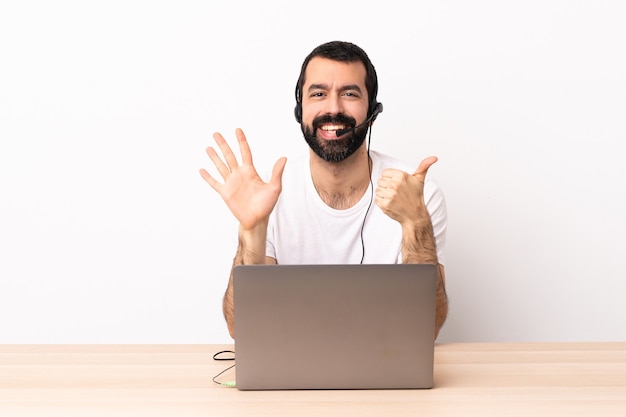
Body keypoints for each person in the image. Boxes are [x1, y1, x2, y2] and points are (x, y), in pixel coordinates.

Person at [200, 40, 448, 339]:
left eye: (349, 94)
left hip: (385, 366)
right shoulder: (267, 193)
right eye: (318, 94)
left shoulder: (415, 192)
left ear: (373, 109)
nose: (333, 108)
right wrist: (252, 230)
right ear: (299, 108)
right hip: (290, 373)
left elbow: (426, 328)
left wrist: (415, 222)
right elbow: (242, 330)